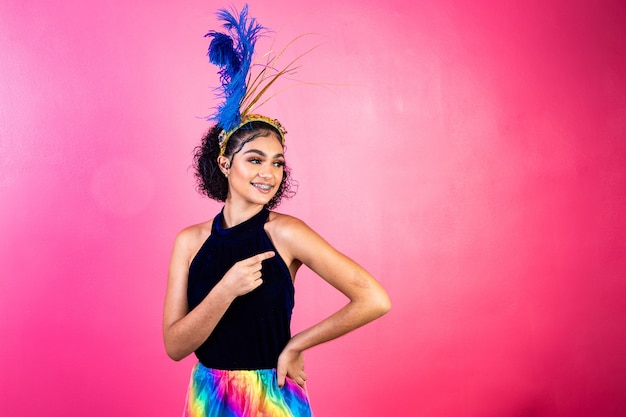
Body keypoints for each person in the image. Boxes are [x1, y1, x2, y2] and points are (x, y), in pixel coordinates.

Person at [162, 6, 390, 417]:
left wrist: (297, 344)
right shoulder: (190, 241)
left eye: (278, 161)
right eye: (255, 159)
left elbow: (374, 298)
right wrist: (226, 289)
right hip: (209, 397)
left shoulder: (286, 233)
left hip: (273, 397)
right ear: (225, 164)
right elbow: (176, 347)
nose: (270, 173)